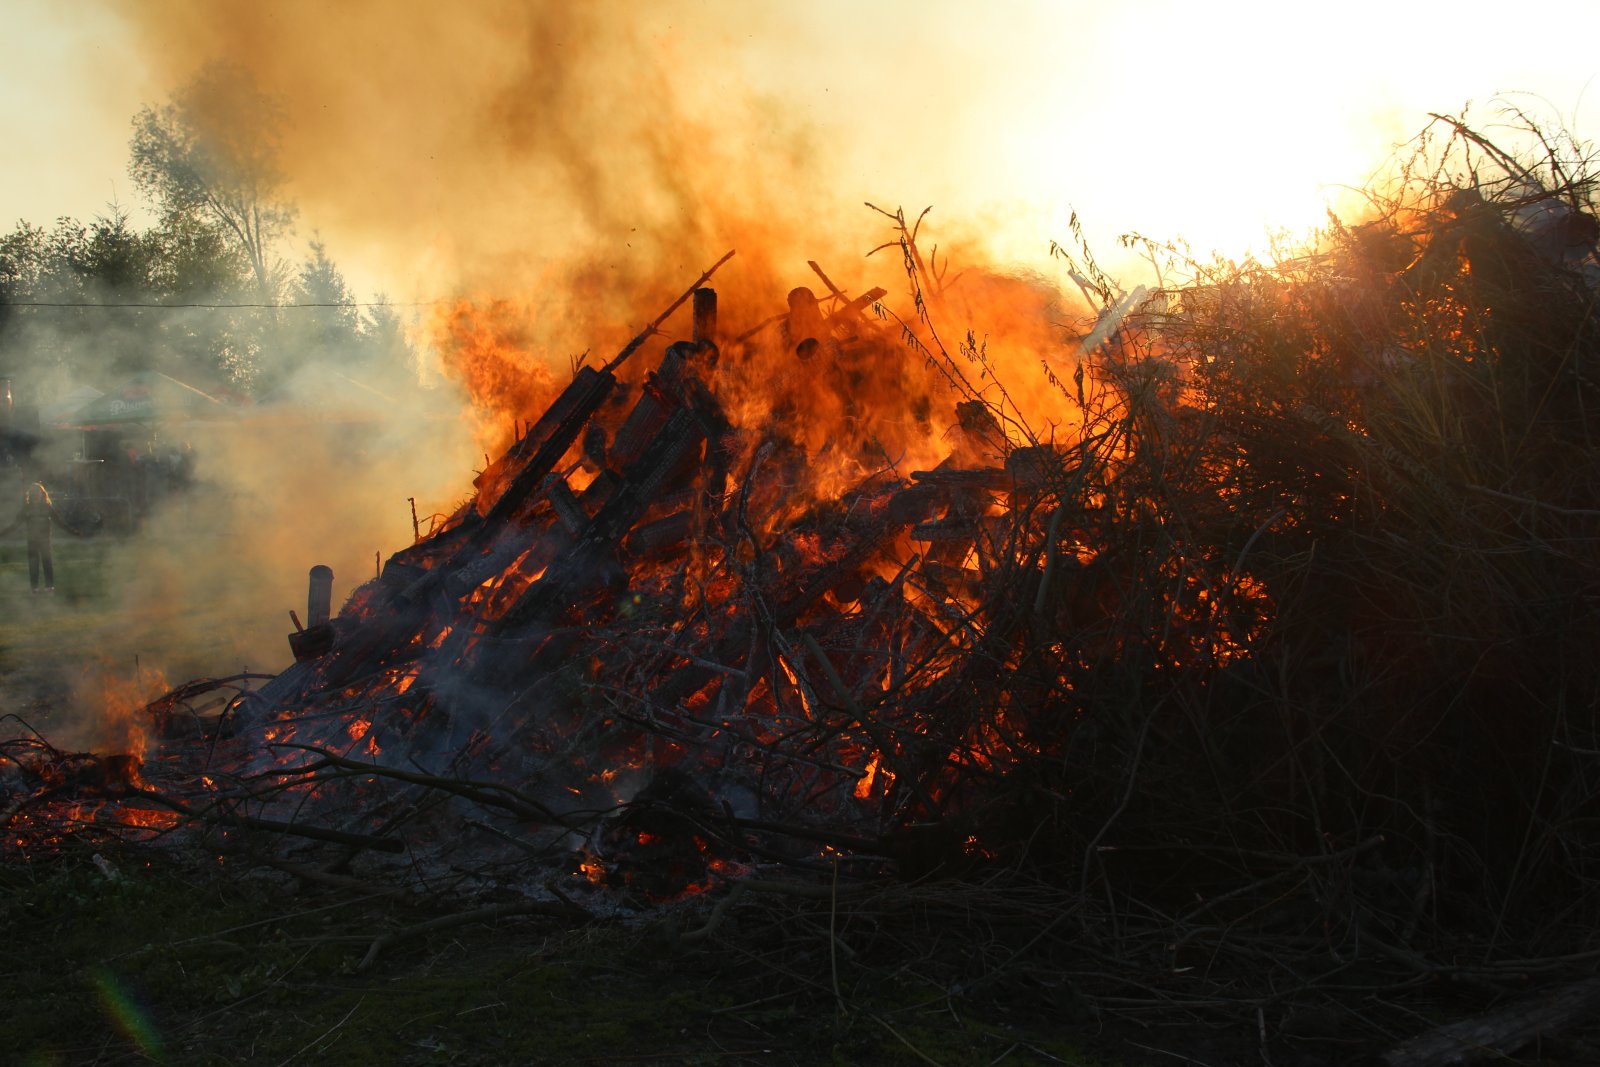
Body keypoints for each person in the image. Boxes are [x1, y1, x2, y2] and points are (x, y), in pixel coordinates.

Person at [2, 483, 77, 593]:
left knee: (47, 563)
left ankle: (49, 587)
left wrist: (73, 532)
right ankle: (34, 589)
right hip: (32, 541)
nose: (35, 495)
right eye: (33, 493)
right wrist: (2, 533)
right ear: (30, 495)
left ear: (42, 494)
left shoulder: (47, 507)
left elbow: (59, 522)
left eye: (37, 493)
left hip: (45, 541)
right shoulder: (26, 509)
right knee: (33, 564)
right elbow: (14, 525)